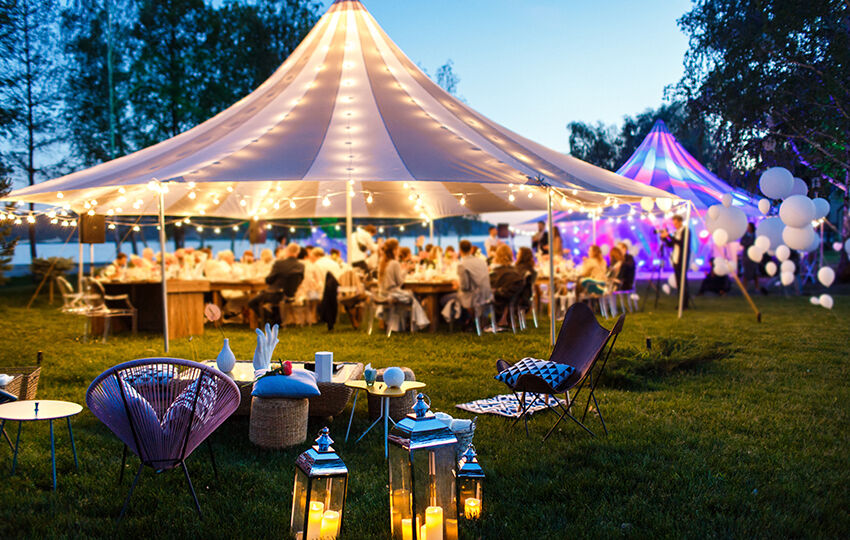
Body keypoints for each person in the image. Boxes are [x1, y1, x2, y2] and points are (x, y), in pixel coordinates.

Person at [377, 239, 428, 331]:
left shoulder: (383, 262)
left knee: (411, 295)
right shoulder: (394, 263)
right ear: (394, 250)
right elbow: (400, 282)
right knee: (413, 295)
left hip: (383, 294)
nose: (399, 250)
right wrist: (406, 270)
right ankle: (417, 323)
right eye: (398, 248)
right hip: (392, 294)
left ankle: (407, 323)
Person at [248, 243, 304, 320]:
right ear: (298, 252)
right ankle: (276, 317)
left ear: (287, 251)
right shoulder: (301, 266)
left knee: (252, 302)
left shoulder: (279, 264)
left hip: (275, 294)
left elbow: (269, 280)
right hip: (291, 295)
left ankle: (270, 317)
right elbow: (300, 280)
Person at [660, 215, 691, 308]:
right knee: (679, 282)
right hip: (676, 259)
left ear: (680, 222)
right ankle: (680, 302)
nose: (675, 225)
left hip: (682, 259)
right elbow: (672, 244)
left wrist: (669, 235)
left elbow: (682, 243)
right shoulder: (677, 232)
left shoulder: (685, 231)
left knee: (682, 281)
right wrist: (665, 238)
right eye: (674, 224)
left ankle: (684, 303)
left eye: (676, 223)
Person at [489, 245, 523, 325]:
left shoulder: (495, 273)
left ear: (496, 255)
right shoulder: (516, 272)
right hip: (513, 300)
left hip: (498, 299)